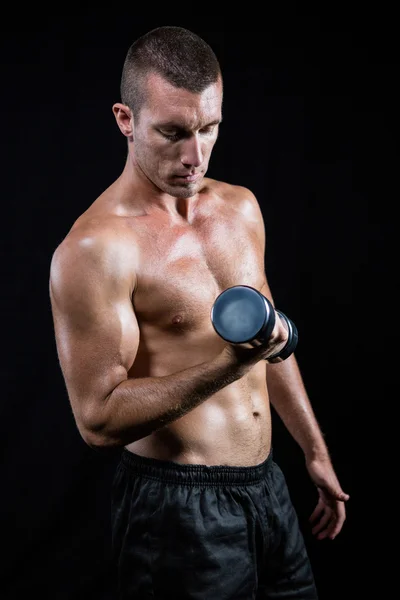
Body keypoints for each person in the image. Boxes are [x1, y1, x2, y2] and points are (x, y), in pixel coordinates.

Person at [49, 26, 349, 600]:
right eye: (174, 133)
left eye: (209, 128)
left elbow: (270, 338)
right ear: (125, 119)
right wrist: (230, 367)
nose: (195, 156)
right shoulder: (96, 250)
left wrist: (314, 451)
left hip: (269, 490)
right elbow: (97, 419)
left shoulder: (239, 208)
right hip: (176, 512)